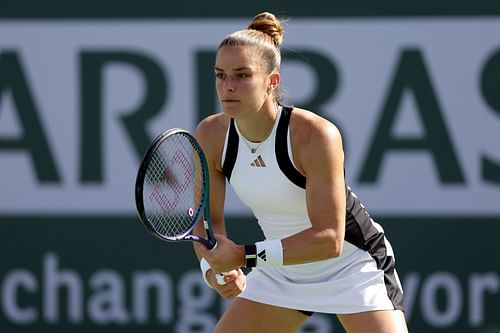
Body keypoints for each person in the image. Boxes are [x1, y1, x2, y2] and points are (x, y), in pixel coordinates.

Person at [193, 11, 409, 333]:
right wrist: (212, 270)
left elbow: (330, 239)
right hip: (281, 270)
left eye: (242, 75)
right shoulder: (211, 136)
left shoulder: (315, 135)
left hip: (351, 267)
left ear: (272, 81)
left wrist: (241, 255)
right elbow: (207, 222)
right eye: (220, 75)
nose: (228, 86)